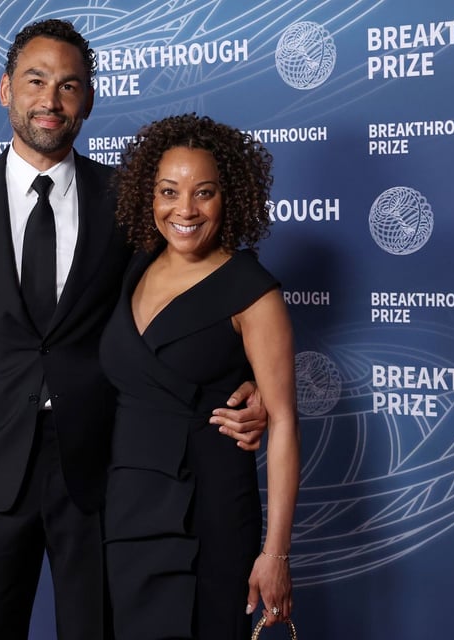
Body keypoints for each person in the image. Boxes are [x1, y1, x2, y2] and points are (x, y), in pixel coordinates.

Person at [0, 20, 268, 640]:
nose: (50, 100)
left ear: (89, 100)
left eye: (69, 86)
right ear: (6, 90)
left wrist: (253, 381)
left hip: (103, 465)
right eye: (35, 81)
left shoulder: (128, 199)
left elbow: (192, 297)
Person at [100, 113, 301, 639]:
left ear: (228, 197)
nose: (184, 209)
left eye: (203, 192)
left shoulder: (252, 291)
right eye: (169, 191)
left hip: (210, 513)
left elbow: (282, 423)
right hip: (127, 510)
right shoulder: (135, 265)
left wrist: (275, 553)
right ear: (149, 195)